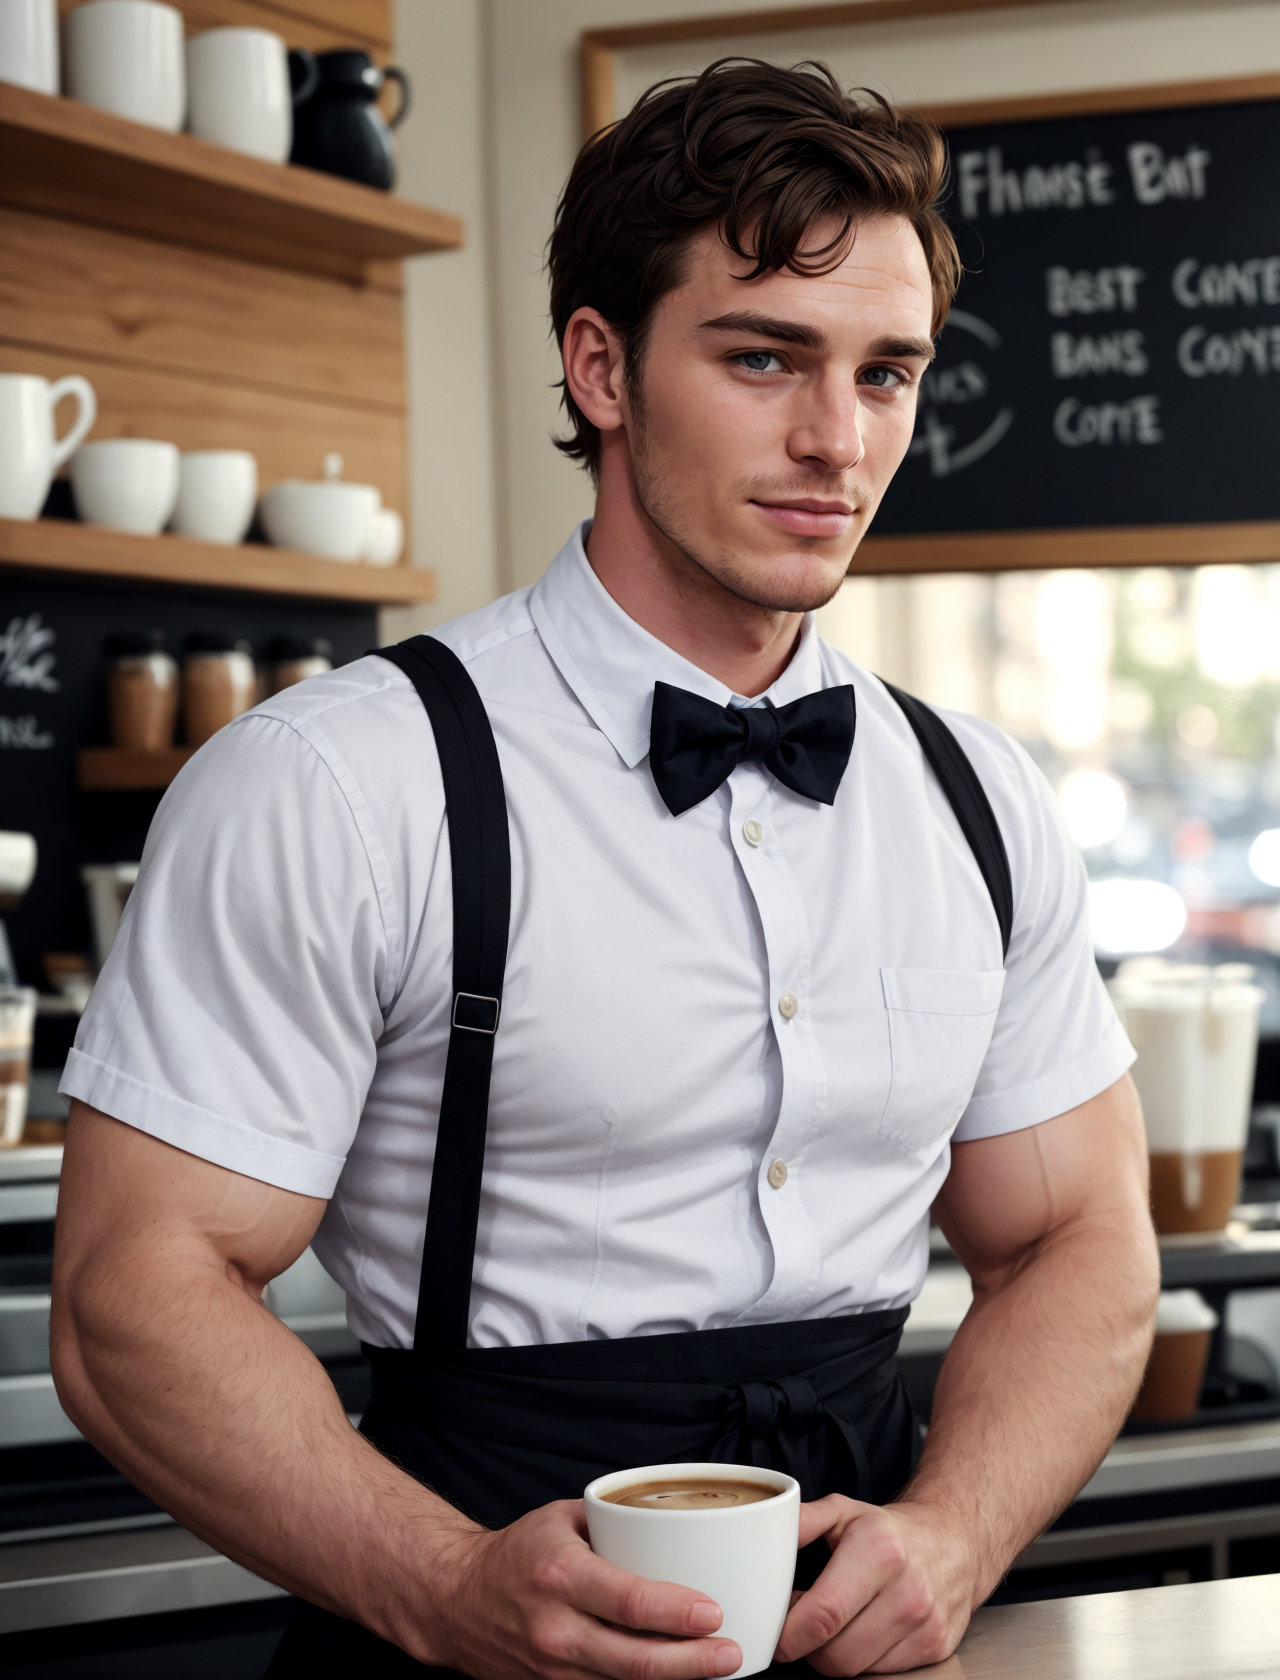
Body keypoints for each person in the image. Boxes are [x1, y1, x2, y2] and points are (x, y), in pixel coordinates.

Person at [51, 59, 1158, 1679]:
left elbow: (1079, 1241)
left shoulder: (976, 798)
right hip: (447, 1617)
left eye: (887, 373)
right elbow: (131, 1293)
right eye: (764, 357)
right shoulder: (340, 783)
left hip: (853, 1626)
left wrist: (961, 1531)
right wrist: (433, 1581)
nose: (835, 439)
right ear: (603, 365)